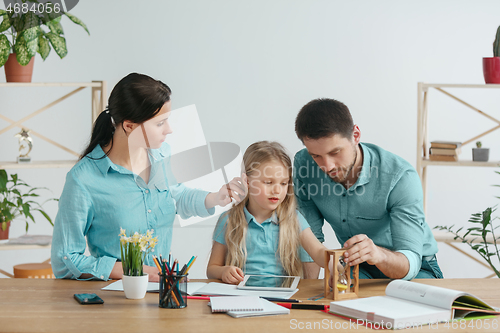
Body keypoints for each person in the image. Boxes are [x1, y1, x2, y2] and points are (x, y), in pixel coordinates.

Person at [51, 73, 246, 282]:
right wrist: (128, 270)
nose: (169, 130)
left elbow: (176, 195)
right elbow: (65, 260)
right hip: (114, 297)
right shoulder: (83, 180)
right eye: (160, 123)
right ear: (129, 126)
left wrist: (216, 197)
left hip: (161, 290)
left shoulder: (163, 155)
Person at [293, 98, 442, 280]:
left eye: (335, 152)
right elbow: (310, 237)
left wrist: (378, 254)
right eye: (316, 155)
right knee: (339, 305)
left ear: (355, 135)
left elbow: (409, 262)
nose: (328, 166)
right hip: (358, 268)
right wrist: (310, 293)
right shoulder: (304, 164)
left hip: (416, 268)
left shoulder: (400, 177)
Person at [206, 141, 330, 284]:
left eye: (283, 183)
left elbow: (319, 252)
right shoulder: (228, 220)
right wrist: (223, 271)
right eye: (268, 182)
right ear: (247, 181)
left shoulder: (293, 219)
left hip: (281, 299)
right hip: (241, 299)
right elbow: (212, 269)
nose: (277, 190)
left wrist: (336, 264)